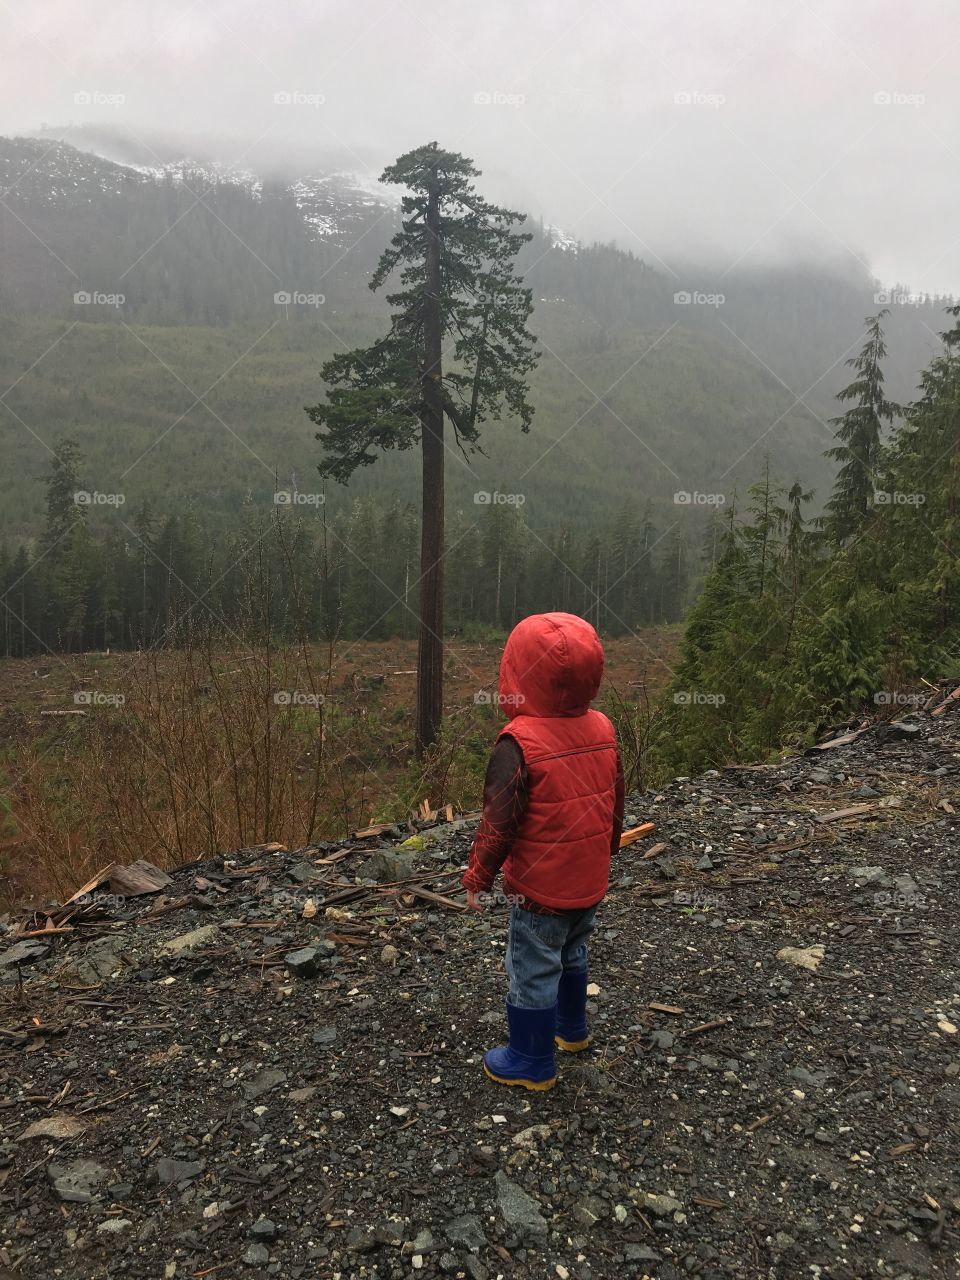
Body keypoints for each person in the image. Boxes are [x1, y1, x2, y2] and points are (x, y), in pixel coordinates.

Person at [462, 612, 625, 1090]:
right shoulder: (603, 728)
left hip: (538, 889)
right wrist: (608, 848)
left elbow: (499, 823)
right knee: (573, 952)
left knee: (532, 966)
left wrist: (477, 878)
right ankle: (570, 1031)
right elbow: (616, 798)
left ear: (517, 674)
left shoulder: (519, 743)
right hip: (588, 881)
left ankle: (530, 1060)